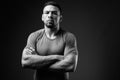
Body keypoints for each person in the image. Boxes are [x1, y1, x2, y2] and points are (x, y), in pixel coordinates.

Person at [21, 1, 78, 80]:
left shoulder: (69, 37)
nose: (50, 15)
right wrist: (56, 57)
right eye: (47, 12)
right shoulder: (34, 36)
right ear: (42, 17)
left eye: (54, 13)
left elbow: (71, 65)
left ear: (60, 18)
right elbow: (25, 61)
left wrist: (37, 61)